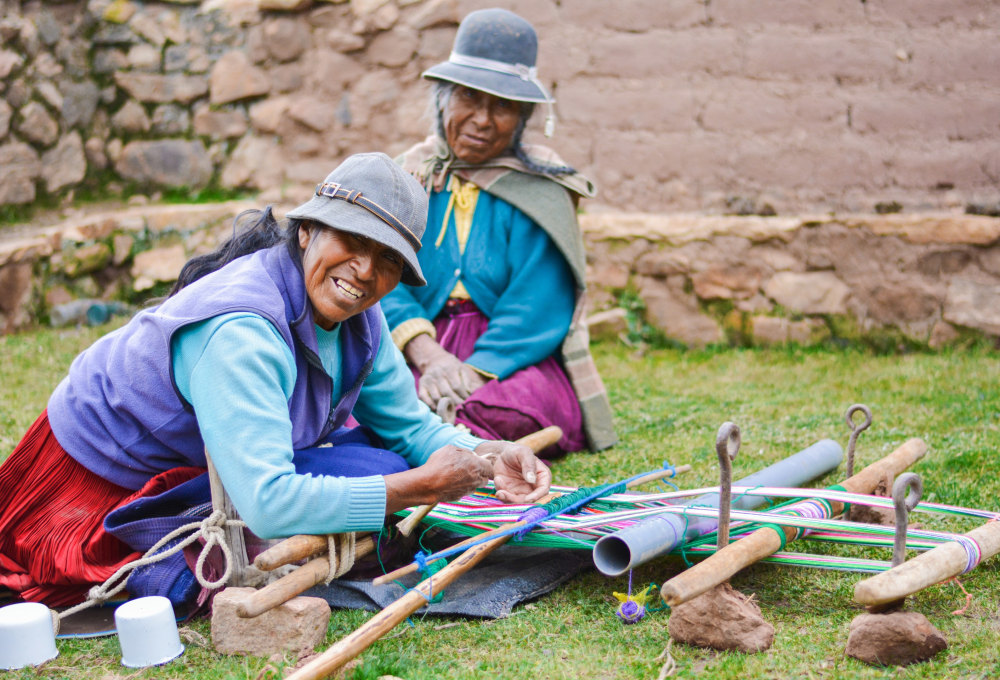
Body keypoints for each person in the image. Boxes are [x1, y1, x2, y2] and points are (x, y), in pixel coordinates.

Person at [0, 152, 550, 608]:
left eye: (386, 259)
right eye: (352, 241)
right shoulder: (243, 332)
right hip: (91, 489)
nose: (364, 270)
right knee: (384, 483)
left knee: (384, 462)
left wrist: (484, 453)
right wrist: (420, 488)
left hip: (200, 466)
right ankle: (163, 543)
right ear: (307, 229)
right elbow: (267, 502)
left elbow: (408, 426)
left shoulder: (364, 317)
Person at [384, 8, 617, 458]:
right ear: (443, 100)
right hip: (416, 345)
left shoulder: (541, 190)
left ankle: (442, 439)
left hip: (506, 358)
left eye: (503, 106)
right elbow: (380, 277)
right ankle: (439, 437)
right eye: (469, 97)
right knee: (376, 401)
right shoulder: (406, 177)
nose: (483, 119)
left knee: (512, 409)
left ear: (524, 117)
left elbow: (537, 303)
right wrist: (427, 356)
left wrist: (473, 372)